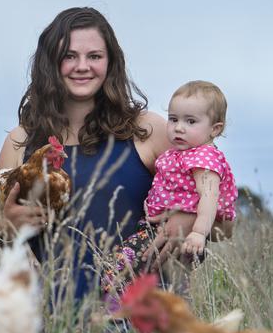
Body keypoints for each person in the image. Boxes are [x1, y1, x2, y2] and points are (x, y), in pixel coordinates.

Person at [0, 7, 232, 299]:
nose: (82, 66)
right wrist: (5, 229)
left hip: (140, 317)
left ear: (111, 62)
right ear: (50, 64)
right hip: (52, 323)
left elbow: (226, 225)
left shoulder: (148, 130)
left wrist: (187, 220)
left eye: (94, 56)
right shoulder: (21, 141)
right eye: (69, 56)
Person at [102, 80, 238, 296]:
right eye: (173, 119)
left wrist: (198, 234)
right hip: (161, 230)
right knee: (161, 280)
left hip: (185, 235)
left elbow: (209, 197)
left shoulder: (204, 158)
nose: (179, 127)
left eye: (191, 121)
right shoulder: (180, 154)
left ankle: (112, 310)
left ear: (215, 129)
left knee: (118, 267)